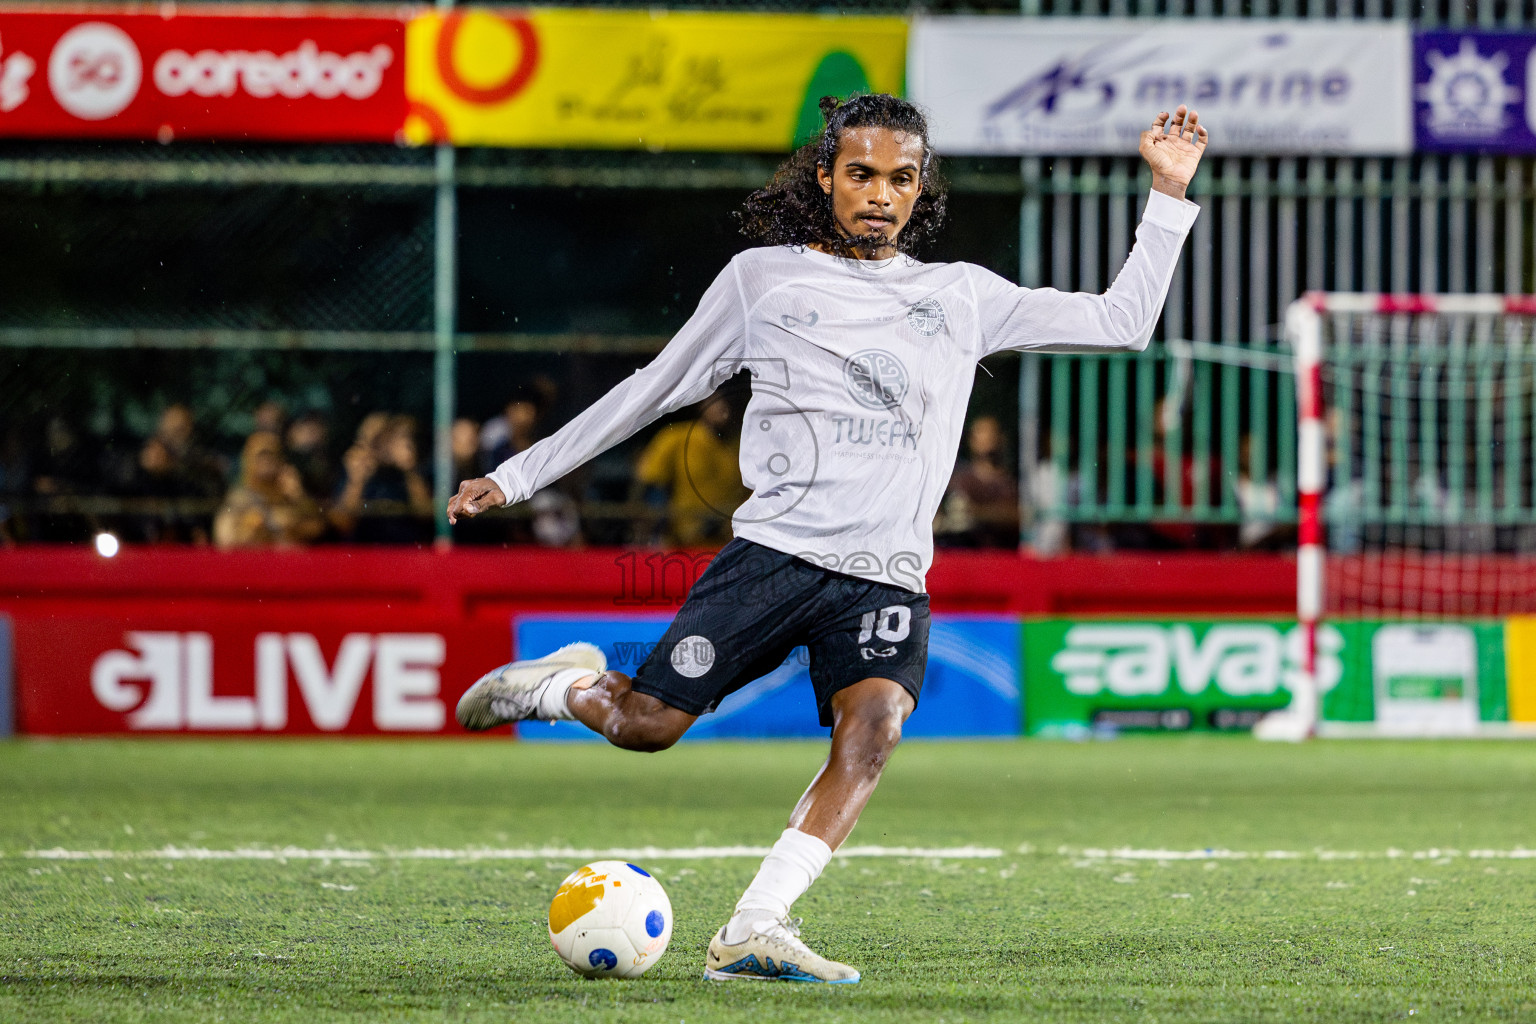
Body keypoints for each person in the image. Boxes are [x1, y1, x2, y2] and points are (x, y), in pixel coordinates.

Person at [448, 95, 1207, 983]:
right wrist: (519, 474)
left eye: (901, 178)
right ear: (826, 178)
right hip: (774, 557)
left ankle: (752, 928)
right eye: (861, 174)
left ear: (920, 191)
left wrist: (1167, 193)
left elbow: (1124, 323)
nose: (880, 194)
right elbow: (653, 390)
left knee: (873, 731)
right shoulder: (762, 281)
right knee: (645, 725)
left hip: (887, 577)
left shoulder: (959, 295)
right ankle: (562, 686)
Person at [634, 395, 750, 548]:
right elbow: (651, 484)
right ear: (702, 405)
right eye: (717, 403)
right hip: (681, 540)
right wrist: (655, 532)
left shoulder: (740, 446)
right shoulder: (677, 436)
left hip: (725, 540)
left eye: (728, 404)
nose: (723, 410)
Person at [213, 431, 325, 548]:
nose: (266, 461)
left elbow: (318, 528)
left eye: (271, 456)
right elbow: (224, 538)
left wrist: (298, 496)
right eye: (260, 456)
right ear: (249, 460)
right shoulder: (240, 496)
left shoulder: (290, 491)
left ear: (280, 459)